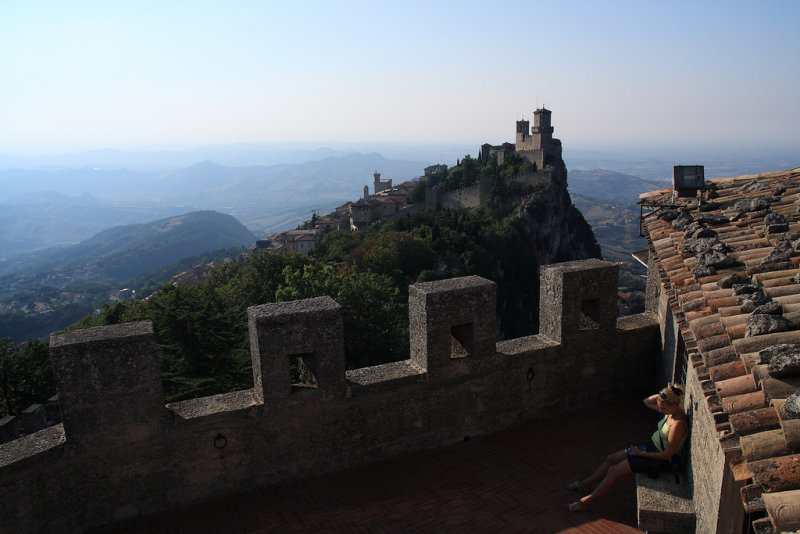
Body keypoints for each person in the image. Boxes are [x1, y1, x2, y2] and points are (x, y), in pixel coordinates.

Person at [564, 384, 688, 512]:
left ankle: (586, 502)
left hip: (658, 458)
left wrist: (641, 454)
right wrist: (663, 395)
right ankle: (584, 484)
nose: (660, 410)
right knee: (611, 458)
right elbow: (647, 402)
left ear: (673, 406)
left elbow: (667, 455)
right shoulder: (671, 410)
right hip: (650, 447)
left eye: (663, 407)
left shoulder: (678, 425)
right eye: (660, 406)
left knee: (614, 471)